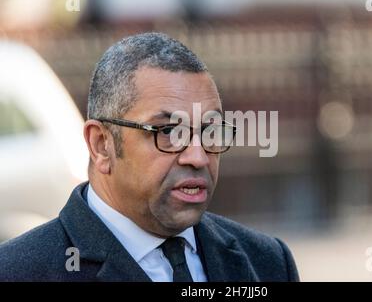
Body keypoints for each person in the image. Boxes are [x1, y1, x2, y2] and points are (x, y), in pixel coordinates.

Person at [0, 32, 299, 282]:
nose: (198, 156)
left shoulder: (268, 263)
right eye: (169, 131)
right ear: (101, 144)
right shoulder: (19, 272)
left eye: (210, 131)